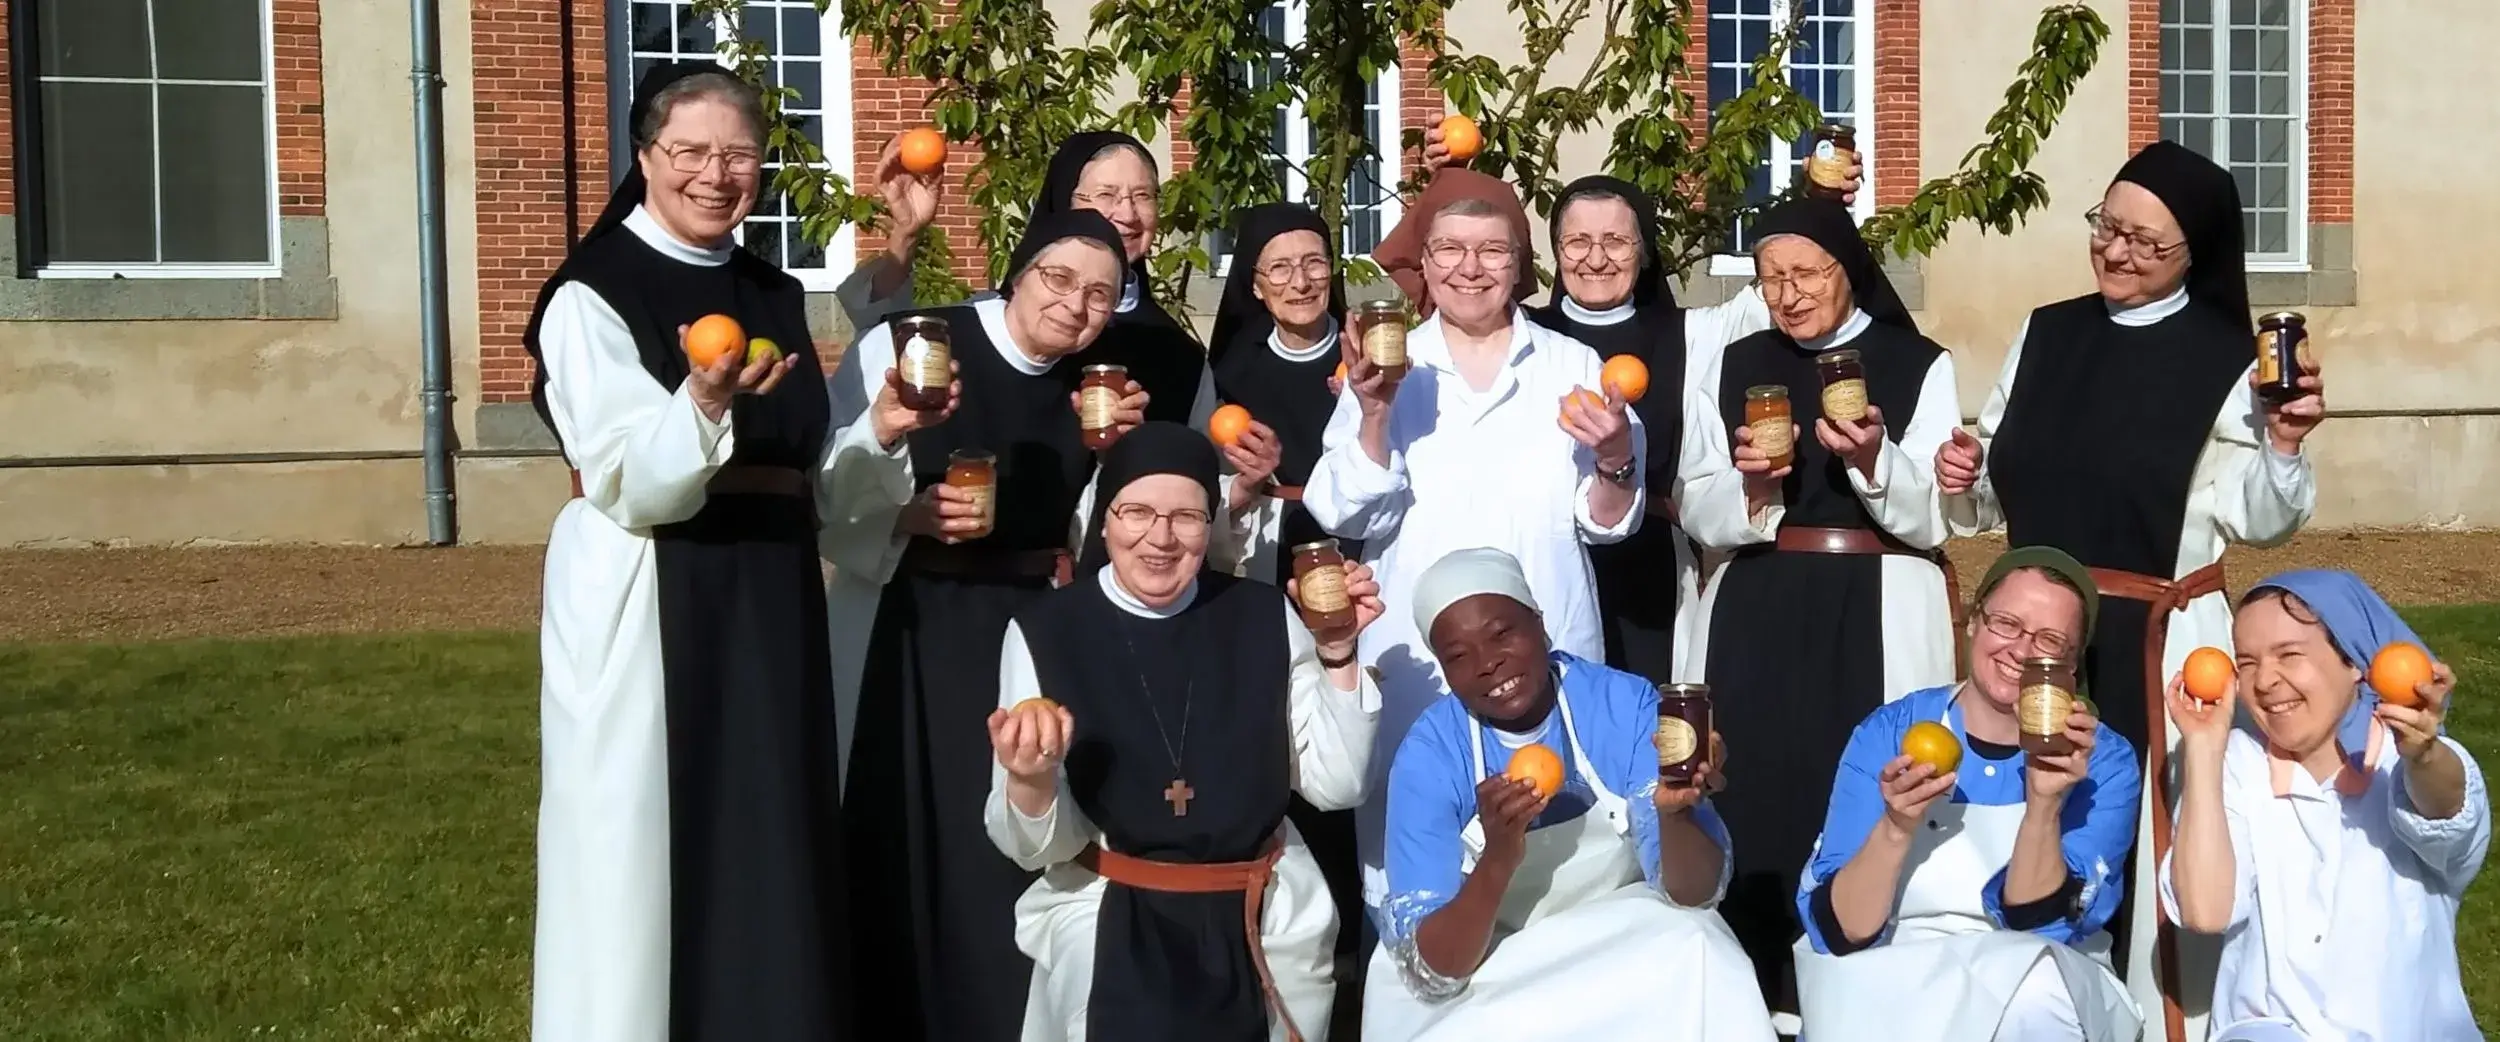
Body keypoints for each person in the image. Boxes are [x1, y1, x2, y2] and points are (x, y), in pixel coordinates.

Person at [524, 61, 945, 1040]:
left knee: (774, 836)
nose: (716, 175)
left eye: (739, 155)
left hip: (767, 590)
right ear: (643, 157)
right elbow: (631, 477)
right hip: (650, 597)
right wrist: (704, 401)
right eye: (691, 152)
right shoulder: (590, 295)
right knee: (645, 853)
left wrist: (877, 429)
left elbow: (817, 476)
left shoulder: (766, 287)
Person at [1934, 140, 2327, 1035]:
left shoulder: (2226, 356)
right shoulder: (2049, 329)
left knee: (2156, 855)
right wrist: (1963, 475)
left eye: (2147, 244)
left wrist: (2285, 447)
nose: (2115, 253)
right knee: (2025, 823)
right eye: (2107, 228)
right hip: (2035, 642)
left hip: (2159, 644)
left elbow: (2258, 517)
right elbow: (1992, 488)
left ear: (2197, 255)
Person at [823, 210, 1143, 1042]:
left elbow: (1096, 532)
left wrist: (1123, 460)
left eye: (1101, 295)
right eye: (1059, 280)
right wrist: (904, 512)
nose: (1075, 307)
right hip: (912, 626)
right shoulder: (913, 346)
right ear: (1019, 271)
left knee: (1014, 834)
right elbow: (825, 492)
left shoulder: (1098, 390)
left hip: (1030, 635)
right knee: (905, 831)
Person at [1302, 168, 1646, 926]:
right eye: (1450, 250)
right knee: (1418, 856)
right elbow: (1337, 507)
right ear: (1423, 264)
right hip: (1420, 664)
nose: (1470, 268)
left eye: (1492, 251)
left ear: (1520, 265)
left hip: (1546, 642)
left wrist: (1619, 455)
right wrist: (1371, 416)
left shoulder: (1571, 366)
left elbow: (1609, 521)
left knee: (1561, 854)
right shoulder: (1388, 370)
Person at [984, 421, 1387, 1042]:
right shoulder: (1045, 630)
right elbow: (1035, 848)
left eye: (1188, 517)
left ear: (1212, 524)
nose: (1160, 538)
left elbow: (1336, 784)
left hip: (1263, 913)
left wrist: (1337, 653)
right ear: (1106, 520)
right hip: (1108, 909)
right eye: (1137, 512)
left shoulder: (1263, 615)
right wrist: (1031, 781)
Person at [1676, 195, 1961, 1017]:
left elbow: (1941, 518)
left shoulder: (1918, 362)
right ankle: (1752, 1001)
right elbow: (1694, 501)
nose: (1787, 294)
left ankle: (1861, 998)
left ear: (1849, 271)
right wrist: (1753, 488)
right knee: (1751, 795)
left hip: (1874, 606)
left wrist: (1876, 460)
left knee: (1864, 791)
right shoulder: (1733, 365)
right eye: (1769, 280)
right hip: (1756, 608)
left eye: (1805, 274)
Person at [1363, 547, 1772, 1042]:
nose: (1488, 663)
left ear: (1540, 623)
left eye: (1502, 634)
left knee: (1699, 946)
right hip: (1494, 962)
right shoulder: (1429, 756)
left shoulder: (1622, 703)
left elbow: (1693, 895)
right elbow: (1438, 971)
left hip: (1615, 939)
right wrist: (1497, 859)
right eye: (1457, 656)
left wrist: (1677, 816)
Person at [1793, 547, 2145, 1042]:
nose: (2022, 651)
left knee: (2035, 989)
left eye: (2049, 641)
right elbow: (1838, 931)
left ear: (2071, 666)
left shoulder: (2101, 762)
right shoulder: (1890, 733)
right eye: (2007, 623)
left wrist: (2044, 805)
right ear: (1973, 623)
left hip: (2036, 991)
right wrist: (1896, 827)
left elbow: (2043, 930)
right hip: (1897, 973)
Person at [2161, 570, 2486, 1042]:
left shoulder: (2405, 761)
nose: (2265, 681)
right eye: (2247, 662)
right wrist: (2204, 751)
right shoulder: (2235, 764)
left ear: (2355, 662)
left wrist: (2424, 755)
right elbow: (2205, 912)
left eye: (2289, 655)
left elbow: (2447, 814)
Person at [1205, 201, 1370, 1008]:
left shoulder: (1365, 355)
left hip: (1367, 573)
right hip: (1275, 574)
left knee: (1369, 737)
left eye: (1315, 263)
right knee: (1300, 748)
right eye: (1280, 269)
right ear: (1255, 287)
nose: (1302, 281)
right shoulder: (1232, 369)